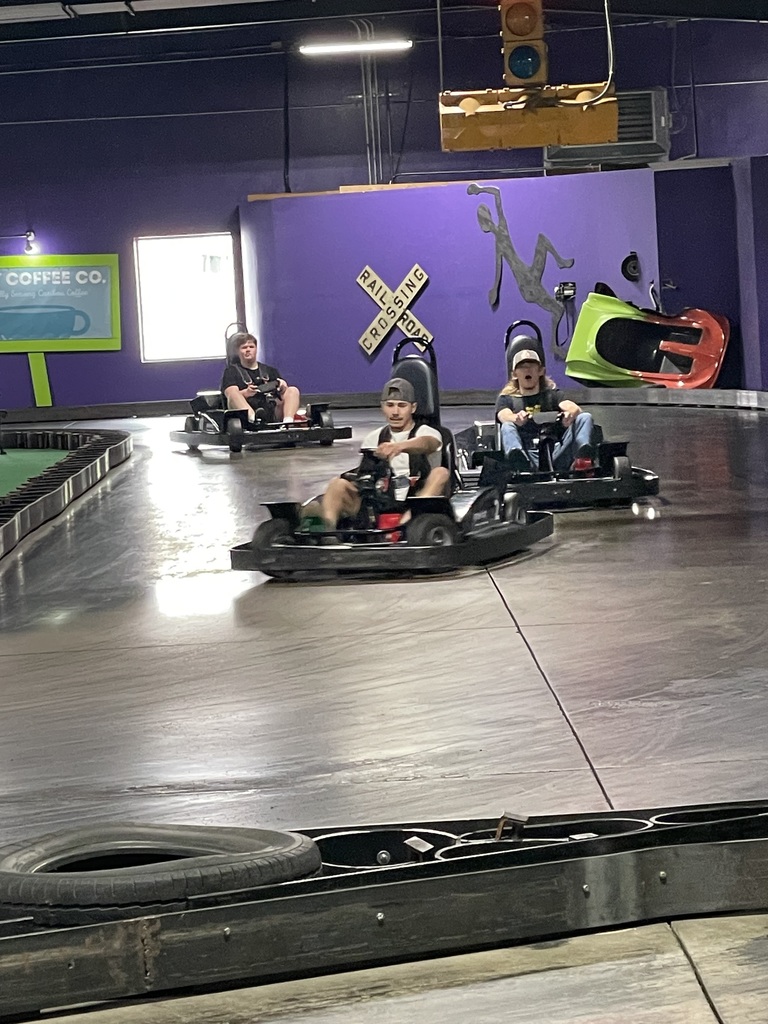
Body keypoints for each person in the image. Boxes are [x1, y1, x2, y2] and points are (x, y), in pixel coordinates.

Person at [303, 377, 450, 533]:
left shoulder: (427, 432)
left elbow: (428, 443)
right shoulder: (373, 438)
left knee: (440, 473)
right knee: (336, 484)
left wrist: (400, 447)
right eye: (390, 405)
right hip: (377, 505)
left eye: (402, 406)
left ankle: (410, 523)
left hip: (415, 502)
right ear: (382, 407)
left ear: (413, 408)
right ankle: (327, 532)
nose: (395, 412)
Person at [495, 349, 595, 472]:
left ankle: (582, 459)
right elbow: (503, 415)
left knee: (584, 417)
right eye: (522, 367)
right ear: (515, 374)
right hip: (528, 452)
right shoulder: (507, 399)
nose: (527, 370)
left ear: (541, 371)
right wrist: (516, 418)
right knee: (507, 426)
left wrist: (569, 414)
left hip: (555, 449)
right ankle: (519, 463)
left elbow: (572, 407)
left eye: (532, 366)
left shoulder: (552, 395)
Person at [220, 332, 301, 423]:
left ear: (256, 349)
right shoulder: (231, 372)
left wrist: (282, 386)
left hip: (273, 411)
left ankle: (288, 422)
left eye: (251, 347)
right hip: (246, 413)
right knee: (234, 394)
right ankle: (253, 419)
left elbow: (283, 393)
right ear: (238, 351)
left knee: (293, 390)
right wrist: (246, 392)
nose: (248, 350)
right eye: (244, 347)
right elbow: (230, 394)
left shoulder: (270, 371)